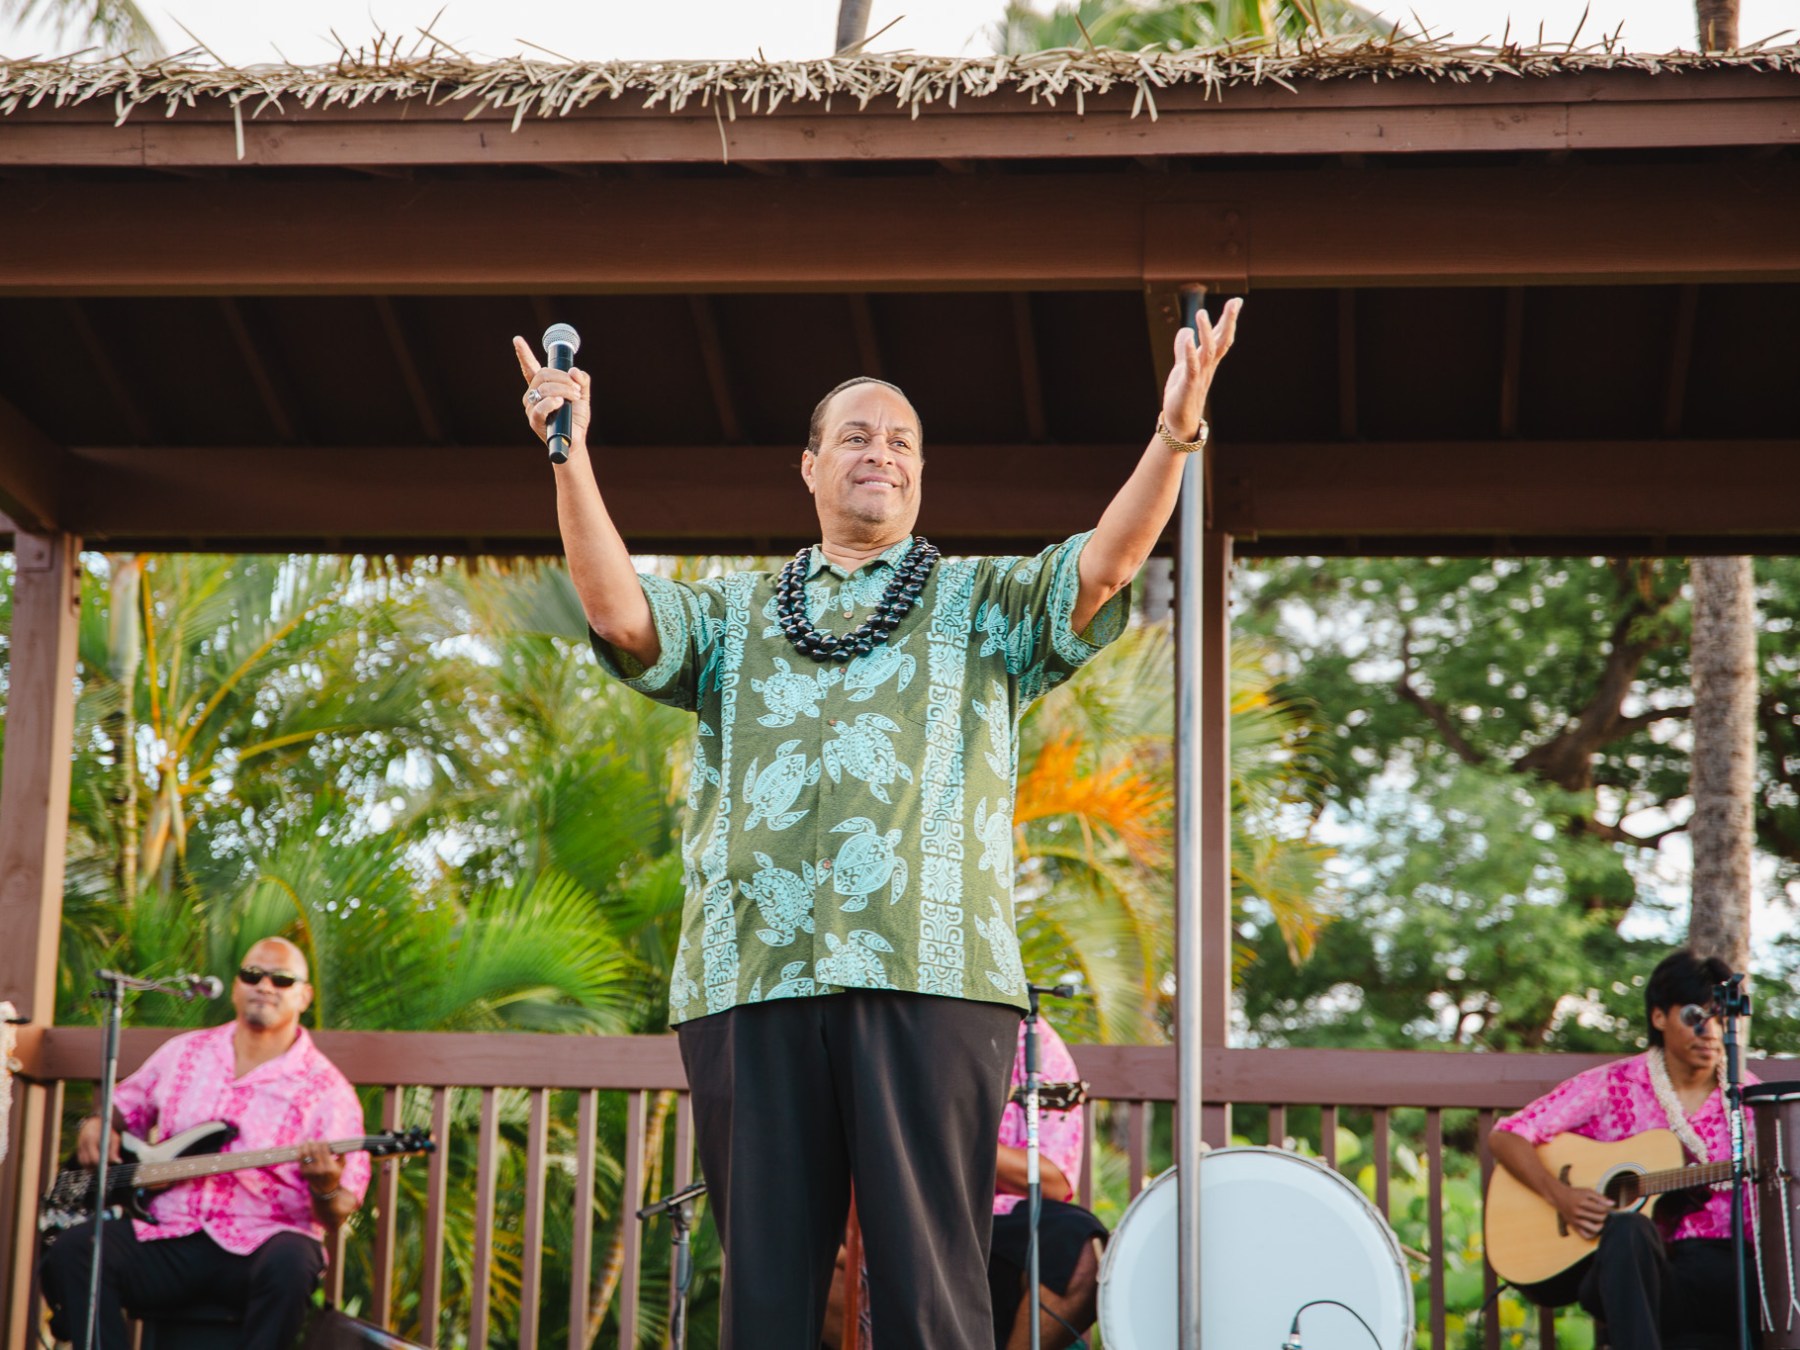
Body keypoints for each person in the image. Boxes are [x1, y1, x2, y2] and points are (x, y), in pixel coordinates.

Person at [512, 297, 1240, 1349]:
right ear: (807, 467)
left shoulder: (980, 600)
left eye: (902, 440)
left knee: (929, 1286)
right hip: (749, 973)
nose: (880, 452)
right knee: (767, 1291)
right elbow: (620, 611)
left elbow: (1107, 566)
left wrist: (1174, 432)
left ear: (920, 474)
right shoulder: (732, 614)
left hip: (929, 971)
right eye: (855, 434)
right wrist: (567, 455)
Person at [40, 937, 368, 1350]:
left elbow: (338, 1210)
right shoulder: (185, 1052)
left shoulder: (328, 1090)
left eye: (281, 979)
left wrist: (326, 1186)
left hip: (260, 1246)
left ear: (304, 995)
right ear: (235, 987)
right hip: (167, 1235)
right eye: (252, 975)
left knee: (294, 1260)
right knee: (77, 1249)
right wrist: (98, 1122)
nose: (264, 985)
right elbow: (126, 1106)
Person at [1487, 949, 1759, 1350]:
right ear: (1659, 1017)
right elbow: (1507, 1135)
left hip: (1727, 1277)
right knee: (1628, 1229)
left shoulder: (1751, 1100)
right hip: (1640, 1275)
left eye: (1720, 1018)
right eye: (1694, 1017)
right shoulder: (1613, 1085)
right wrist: (1561, 1196)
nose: (1711, 1031)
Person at [823, 1013, 1106, 1350]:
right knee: (793, 1242)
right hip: (884, 1215)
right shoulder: (870, 1027)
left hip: (992, 1223)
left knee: (1076, 1246)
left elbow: (1054, 1182)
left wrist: (943, 1134)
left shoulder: (1029, 1041)